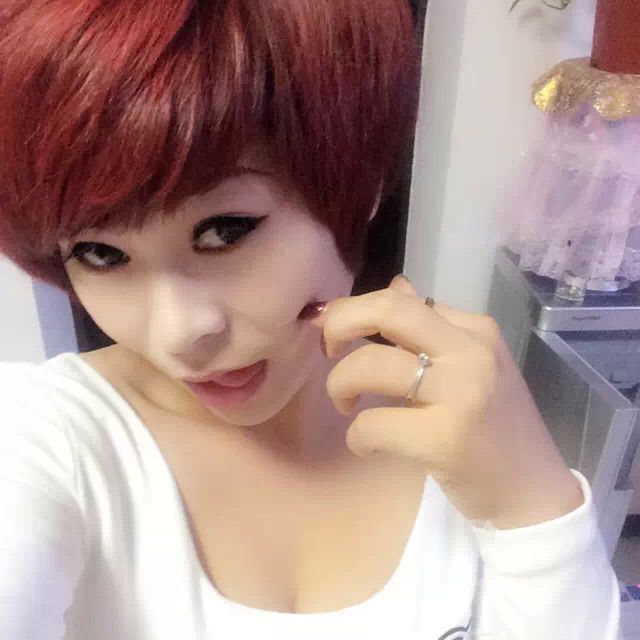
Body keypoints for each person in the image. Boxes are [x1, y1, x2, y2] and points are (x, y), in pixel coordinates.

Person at [0, 1, 620, 638]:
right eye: (101, 254)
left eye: (225, 230)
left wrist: (537, 512)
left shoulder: (473, 444)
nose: (177, 334)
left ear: (362, 180)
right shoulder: (40, 438)